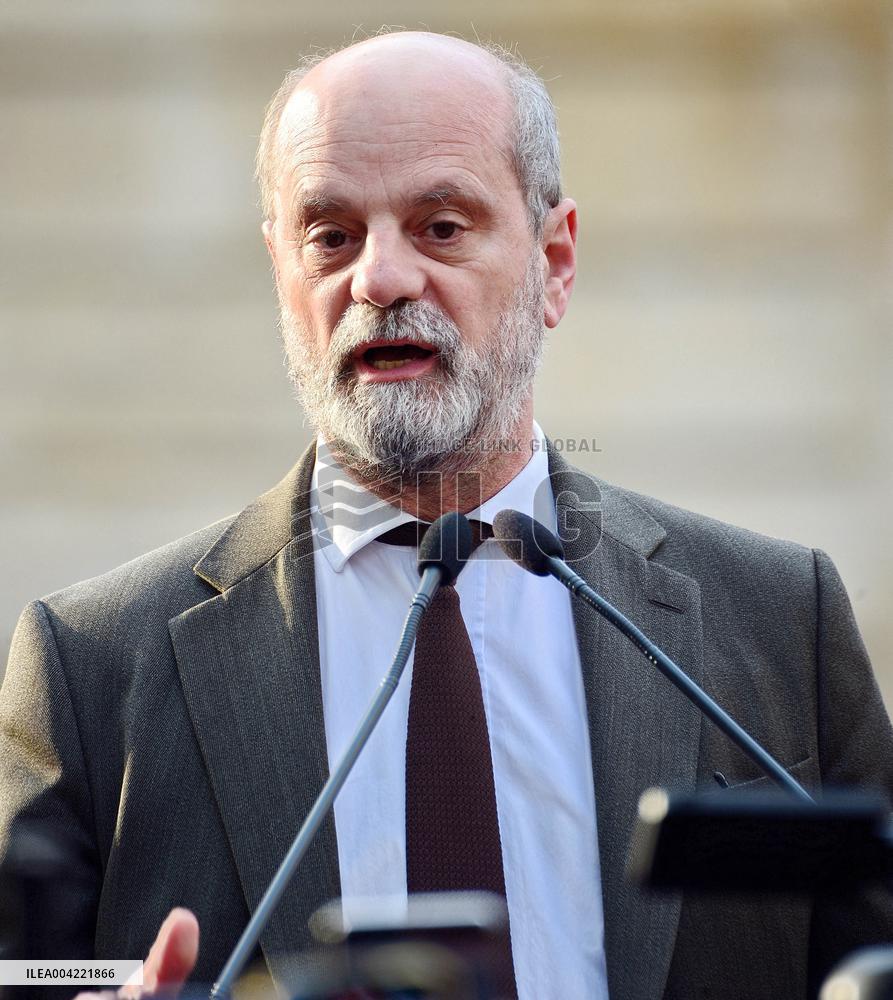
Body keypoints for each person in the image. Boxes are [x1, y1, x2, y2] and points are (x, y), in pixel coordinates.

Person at [2, 30, 892, 1000]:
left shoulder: (775, 621)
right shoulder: (91, 665)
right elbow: (34, 977)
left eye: (439, 227)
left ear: (553, 262)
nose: (379, 280)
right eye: (331, 236)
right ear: (281, 272)